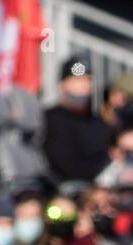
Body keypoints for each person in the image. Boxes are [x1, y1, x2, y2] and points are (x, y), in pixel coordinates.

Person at [42, 57, 112, 185]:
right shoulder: (51, 118)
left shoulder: (98, 121)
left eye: (88, 80)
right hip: (63, 190)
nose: (84, 86)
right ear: (63, 85)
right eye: (78, 80)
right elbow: (66, 165)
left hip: (100, 187)